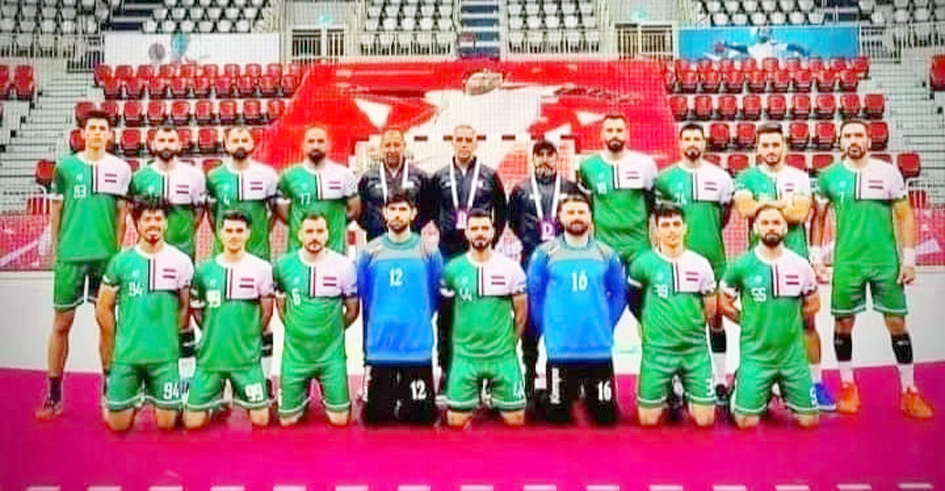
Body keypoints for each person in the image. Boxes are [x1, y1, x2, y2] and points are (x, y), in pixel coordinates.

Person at [811, 120, 933, 419]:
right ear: (840, 141)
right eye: (848, 135)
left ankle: (909, 390)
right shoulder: (829, 176)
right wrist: (816, 258)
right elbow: (818, 219)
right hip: (848, 262)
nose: (854, 140)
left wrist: (909, 259)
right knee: (843, 324)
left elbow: (905, 216)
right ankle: (848, 386)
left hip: (885, 262)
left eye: (859, 135)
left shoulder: (888, 172)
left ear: (868, 140)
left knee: (897, 323)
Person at [36, 109, 133, 420]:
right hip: (71, 257)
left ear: (109, 134)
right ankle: (53, 395)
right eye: (92, 128)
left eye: (102, 128)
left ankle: (110, 391)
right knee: (61, 324)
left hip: (105, 258)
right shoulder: (65, 168)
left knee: (106, 323)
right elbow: (56, 212)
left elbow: (121, 214)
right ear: (82, 133)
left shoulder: (121, 169)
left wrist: (115, 253)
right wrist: (58, 250)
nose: (96, 133)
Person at [733, 123, 834, 411]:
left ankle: (815, 384)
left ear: (785, 147)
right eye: (765, 145)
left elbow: (800, 214)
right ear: (757, 148)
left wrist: (764, 204)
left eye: (775, 144)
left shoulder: (799, 177)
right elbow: (744, 210)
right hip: (758, 263)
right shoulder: (746, 176)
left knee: (807, 323)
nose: (771, 150)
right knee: (758, 325)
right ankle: (759, 385)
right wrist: (782, 205)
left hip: (796, 258)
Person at [527, 194, 626, 426]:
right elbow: (535, 294)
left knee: (606, 420)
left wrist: (606, 323)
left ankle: (585, 397)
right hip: (561, 348)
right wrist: (547, 328)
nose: (576, 217)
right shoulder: (545, 253)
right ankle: (543, 396)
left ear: (590, 217)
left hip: (598, 349)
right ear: (560, 217)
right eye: (570, 212)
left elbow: (619, 294)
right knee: (558, 419)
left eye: (581, 212)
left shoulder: (607, 254)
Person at [719, 205, 820, 430]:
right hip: (756, 357)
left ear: (785, 228)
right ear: (755, 228)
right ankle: (742, 386)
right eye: (765, 223)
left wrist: (790, 320)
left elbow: (814, 303)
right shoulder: (742, 265)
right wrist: (746, 320)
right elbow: (723, 302)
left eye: (776, 223)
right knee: (746, 423)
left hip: (792, 357)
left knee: (809, 422)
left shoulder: (801, 265)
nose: (771, 227)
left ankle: (778, 389)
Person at [97, 198, 193, 431]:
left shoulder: (181, 262)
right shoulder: (121, 262)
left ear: (166, 223)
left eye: (158, 219)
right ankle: (128, 396)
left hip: (164, 357)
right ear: (137, 223)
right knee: (117, 426)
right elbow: (103, 307)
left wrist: (171, 339)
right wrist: (118, 341)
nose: (153, 224)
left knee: (168, 425)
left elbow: (185, 307)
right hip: (128, 356)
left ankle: (158, 393)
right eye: (147, 219)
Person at [655, 123, 734, 405]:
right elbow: (661, 219)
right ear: (679, 143)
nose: (692, 143)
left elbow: (724, 216)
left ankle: (720, 380)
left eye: (696, 138)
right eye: (687, 138)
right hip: (676, 261)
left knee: (716, 319)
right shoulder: (665, 179)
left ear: (704, 142)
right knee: (680, 319)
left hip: (714, 259)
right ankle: (677, 383)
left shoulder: (721, 177)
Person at [357, 191, 442, 426]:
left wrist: (417, 317)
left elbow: (434, 293)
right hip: (381, 346)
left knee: (421, 420)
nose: (397, 215)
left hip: (416, 347)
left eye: (403, 209)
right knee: (376, 420)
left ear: (413, 214)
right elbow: (365, 294)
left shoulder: (428, 251)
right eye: (392, 209)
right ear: (384, 213)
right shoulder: (369, 252)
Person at [431, 124, 508, 384]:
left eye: (468, 139)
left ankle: (484, 371)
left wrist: (490, 241)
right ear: (452, 142)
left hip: (480, 254)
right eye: (459, 139)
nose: (464, 144)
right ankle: (446, 369)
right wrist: (446, 232)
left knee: (481, 309)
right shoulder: (440, 176)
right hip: (449, 252)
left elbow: (502, 212)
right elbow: (432, 209)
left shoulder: (489, 175)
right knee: (446, 312)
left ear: (476, 143)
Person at [184, 210, 274, 429]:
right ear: (220, 233)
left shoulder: (262, 269)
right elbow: (197, 313)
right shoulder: (203, 271)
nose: (234, 236)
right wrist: (213, 331)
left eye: (239, 231)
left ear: (248, 233)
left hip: (246, 361)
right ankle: (216, 399)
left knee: (261, 420)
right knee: (192, 423)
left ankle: (237, 392)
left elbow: (266, 312)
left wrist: (249, 337)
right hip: (211, 360)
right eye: (229, 231)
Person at [628, 205, 717, 427]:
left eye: (676, 224)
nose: (671, 230)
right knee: (648, 421)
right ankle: (669, 391)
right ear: (656, 230)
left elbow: (710, 308)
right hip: (657, 351)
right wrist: (647, 324)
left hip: (694, 350)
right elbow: (634, 301)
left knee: (705, 421)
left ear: (685, 228)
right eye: (665, 225)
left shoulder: (701, 264)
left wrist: (690, 326)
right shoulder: (642, 264)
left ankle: (682, 390)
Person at [507, 139, 582, 400]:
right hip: (531, 261)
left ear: (556, 158)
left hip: (563, 262)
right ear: (533, 159)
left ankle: (564, 376)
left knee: (564, 316)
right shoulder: (521, 190)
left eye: (550, 155)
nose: (545, 160)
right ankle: (529, 374)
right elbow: (513, 221)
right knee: (530, 319)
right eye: (540, 155)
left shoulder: (570, 188)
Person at [440, 209, 528, 428]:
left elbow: (521, 313)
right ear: (467, 233)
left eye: (484, 228)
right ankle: (476, 397)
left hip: (502, 357)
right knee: (455, 423)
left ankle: (493, 398)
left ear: (493, 231)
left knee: (516, 421)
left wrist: (510, 343)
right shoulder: (453, 269)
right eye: (474, 228)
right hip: (466, 356)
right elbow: (446, 312)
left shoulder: (511, 269)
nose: (480, 233)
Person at [274, 212, 359, 427]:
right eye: (309, 231)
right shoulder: (283, 266)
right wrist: (296, 328)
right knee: (287, 421)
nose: (314, 236)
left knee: (340, 421)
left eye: (320, 231)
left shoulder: (344, 267)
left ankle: (327, 391)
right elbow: (281, 308)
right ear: (299, 234)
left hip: (331, 356)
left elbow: (352, 311)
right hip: (296, 357)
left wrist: (332, 330)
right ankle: (300, 394)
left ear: (327, 234)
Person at [577, 114, 658, 302]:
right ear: (601, 134)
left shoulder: (645, 164)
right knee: (604, 300)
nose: (615, 134)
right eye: (610, 130)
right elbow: (586, 205)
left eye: (619, 130)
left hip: (638, 245)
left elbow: (653, 204)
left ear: (627, 134)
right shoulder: (588, 166)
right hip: (604, 244)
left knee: (642, 300)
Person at [277, 124, 360, 254]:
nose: (315, 146)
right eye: (311, 141)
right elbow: (283, 214)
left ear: (329, 145)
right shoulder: (288, 176)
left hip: (334, 250)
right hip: (298, 250)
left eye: (320, 141)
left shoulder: (345, 175)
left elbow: (354, 210)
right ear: (303, 145)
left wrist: (336, 223)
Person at [129, 126, 206, 258]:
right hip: (149, 250)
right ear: (153, 145)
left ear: (179, 145)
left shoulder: (195, 176)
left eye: (171, 141)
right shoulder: (138, 178)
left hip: (183, 250)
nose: (166, 145)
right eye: (162, 140)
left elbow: (198, 214)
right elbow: (134, 213)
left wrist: (184, 234)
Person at [206, 126, 278, 260]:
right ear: (226, 145)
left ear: (252, 144)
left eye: (244, 140)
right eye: (235, 141)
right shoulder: (214, 176)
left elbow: (275, 212)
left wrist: (261, 232)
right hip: (223, 251)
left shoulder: (268, 175)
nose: (240, 145)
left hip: (258, 250)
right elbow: (211, 213)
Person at [357, 127, 432, 241]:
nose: (392, 150)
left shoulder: (420, 176)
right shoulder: (368, 178)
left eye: (396, 145)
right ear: (381, 148)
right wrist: (374, 225)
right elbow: (359, 211)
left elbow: (429, 209)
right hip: (377, 239)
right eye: (388, 145)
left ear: (404, 146)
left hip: (410, 240)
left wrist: (414, 225)